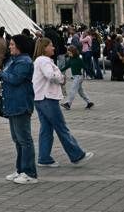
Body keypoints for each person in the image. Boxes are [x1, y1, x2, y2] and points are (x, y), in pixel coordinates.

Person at [32, 36, 94, 168]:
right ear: (44, 48)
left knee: (46, 129)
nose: (53, 48)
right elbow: (50, 75)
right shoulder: (44, 60)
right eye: (51, 45)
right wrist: (61, 78)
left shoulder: (39, 60)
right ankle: (77, 155)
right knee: (61, 128)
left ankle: (44, 158)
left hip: (40, 98)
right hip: (48, 98)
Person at [0, 33, 37, 184]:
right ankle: (20, 169)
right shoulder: (13, 60)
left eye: (12, 44)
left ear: (20, 46)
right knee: (17, 139)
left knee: (24, 140)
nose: (9, 47)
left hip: (20, 103)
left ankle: (30, 173)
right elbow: (6, 77)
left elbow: (15, 79)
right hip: (12, 103)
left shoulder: (24, 61)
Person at [61, 45, 93, 110]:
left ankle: (68, 104)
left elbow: (85, 67)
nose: (69, 54)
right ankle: (89, 102)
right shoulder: (71, 59)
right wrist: (59, 70)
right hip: (76, 77)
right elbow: (66, 66)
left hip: (79, 77)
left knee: (72, 90)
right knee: (81, 92)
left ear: (74, 52)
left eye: (70, 53)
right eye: (68, 53)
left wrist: (90, 74)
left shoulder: (79, 59)